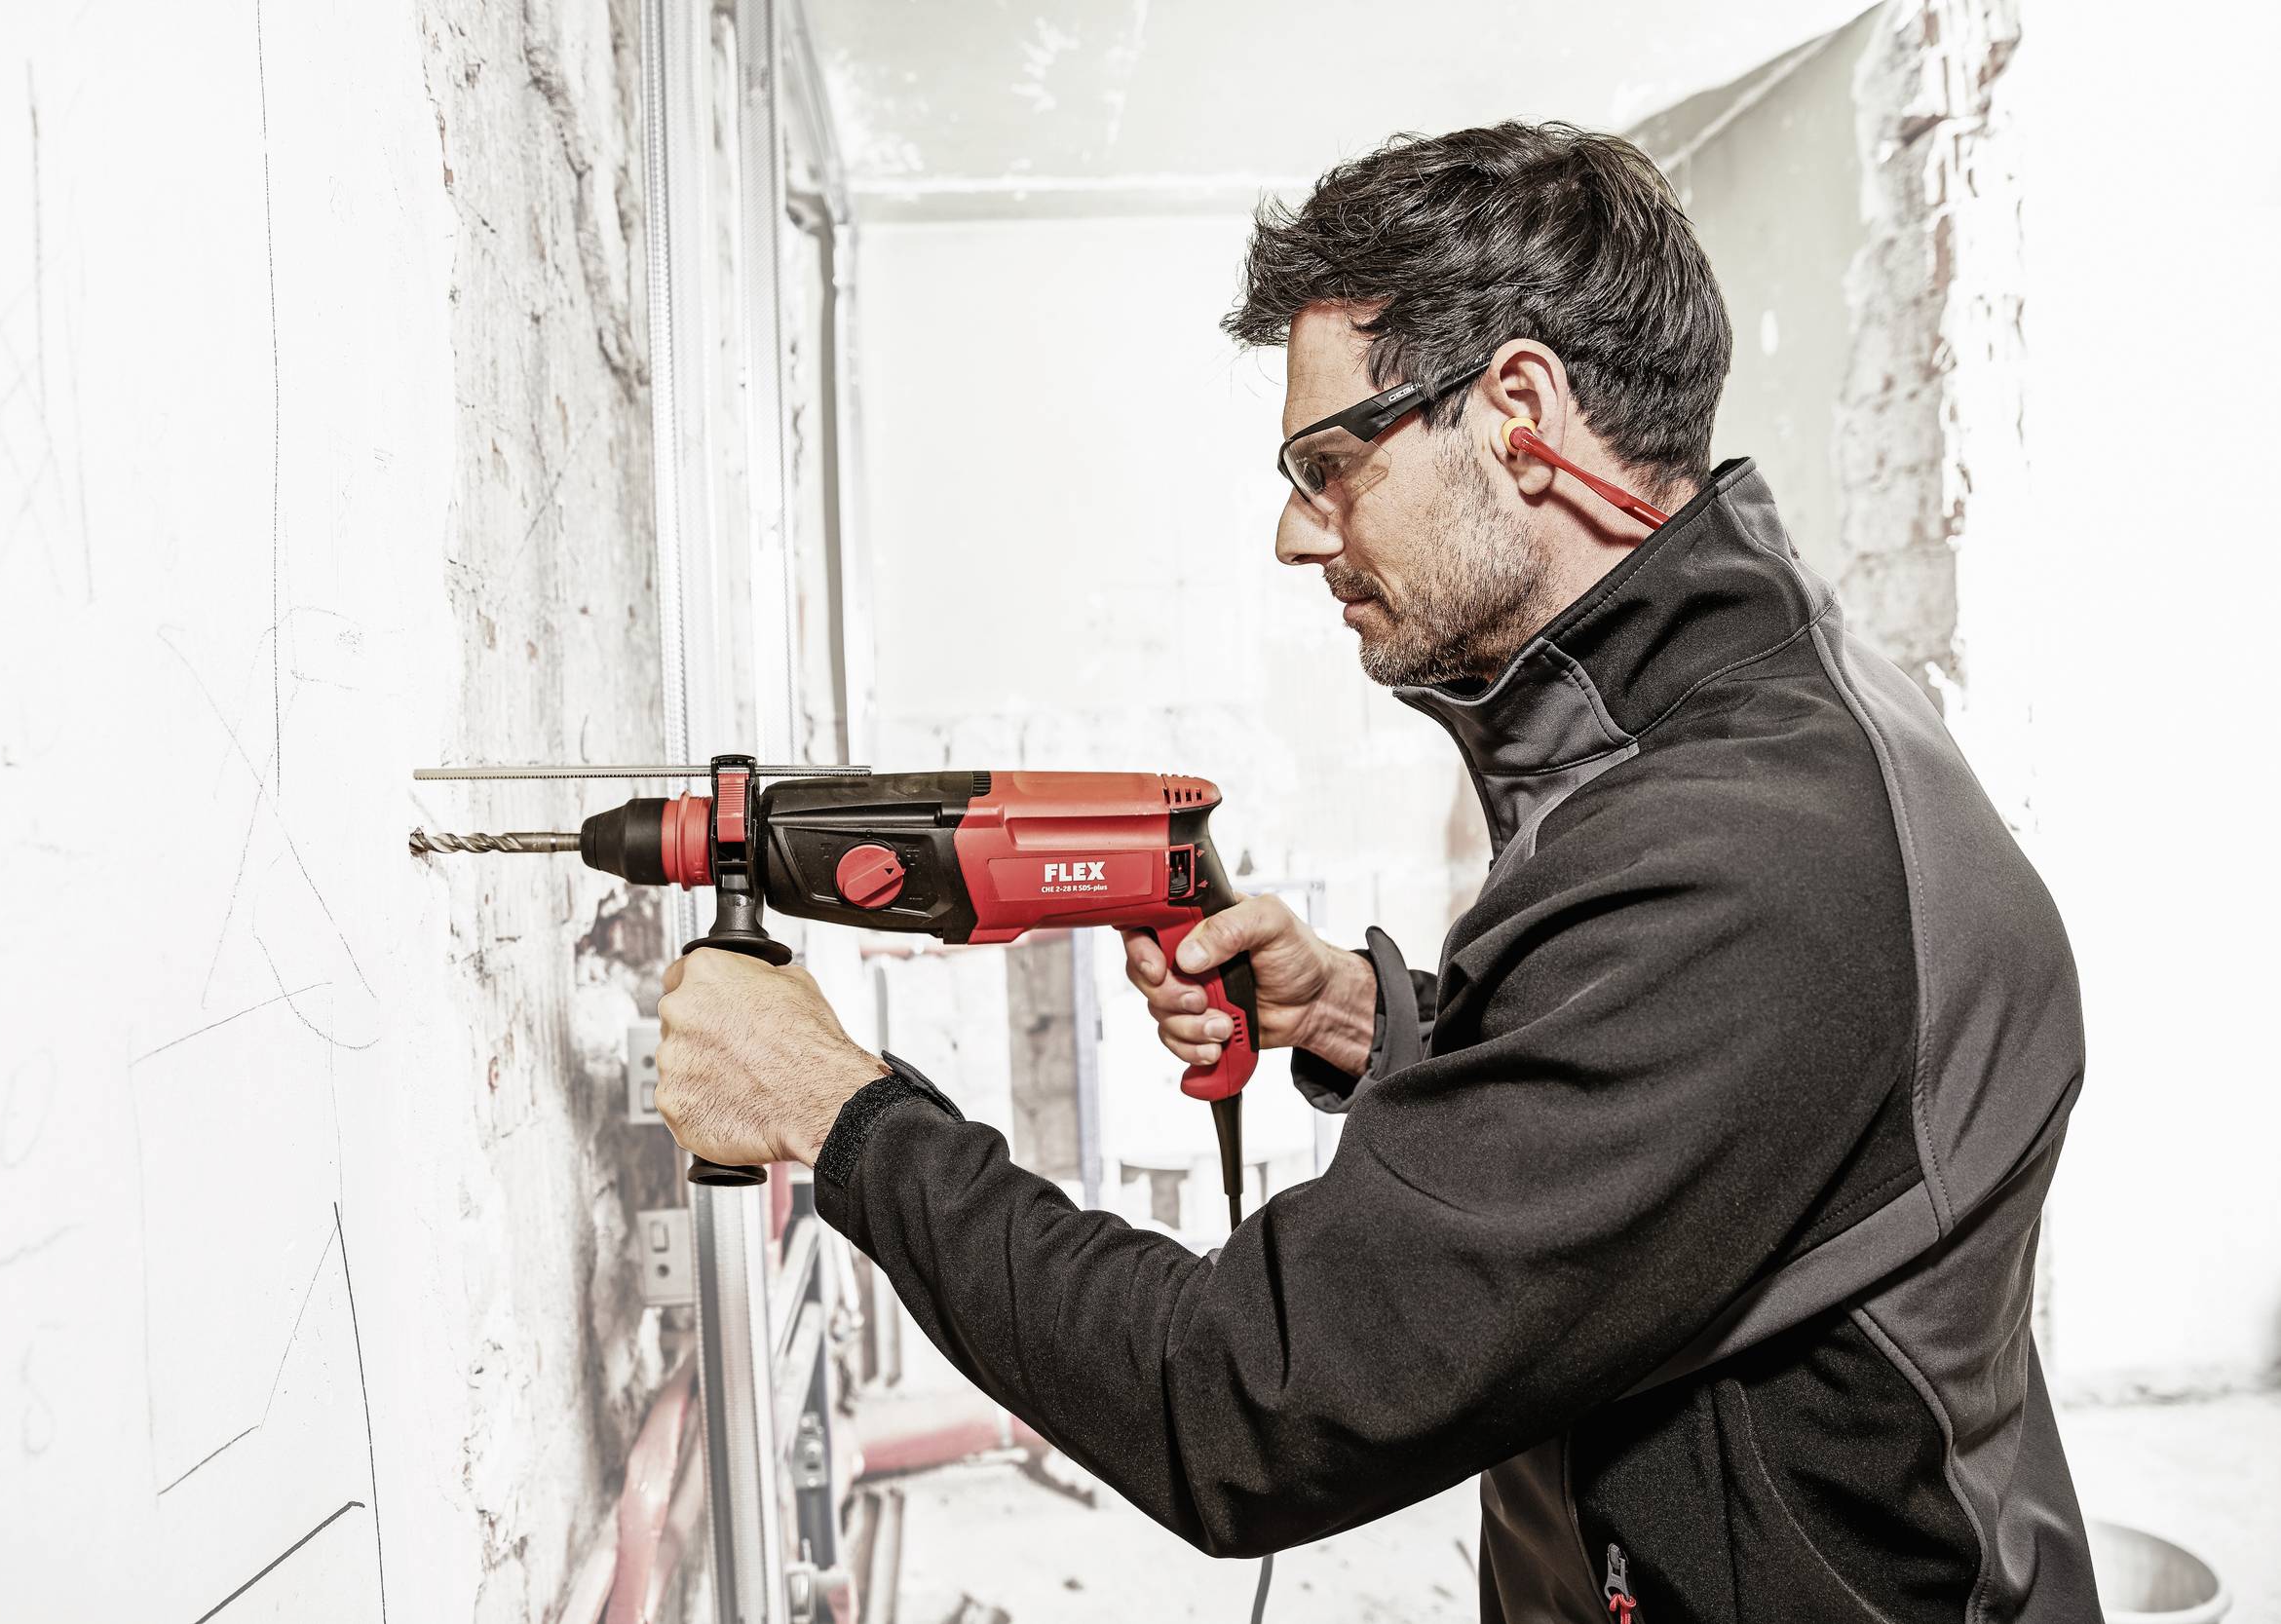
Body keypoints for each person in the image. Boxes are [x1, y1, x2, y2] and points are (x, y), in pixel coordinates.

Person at [650, 122, 2098, 1623]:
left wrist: (840, 1115)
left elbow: (1244, 1406)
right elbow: (1676, 1124)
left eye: (1330, 464)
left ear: (1520, 411)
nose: (1295, 534)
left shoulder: (1749, 864)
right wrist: (1359, 1015)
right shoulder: (1721, 733)